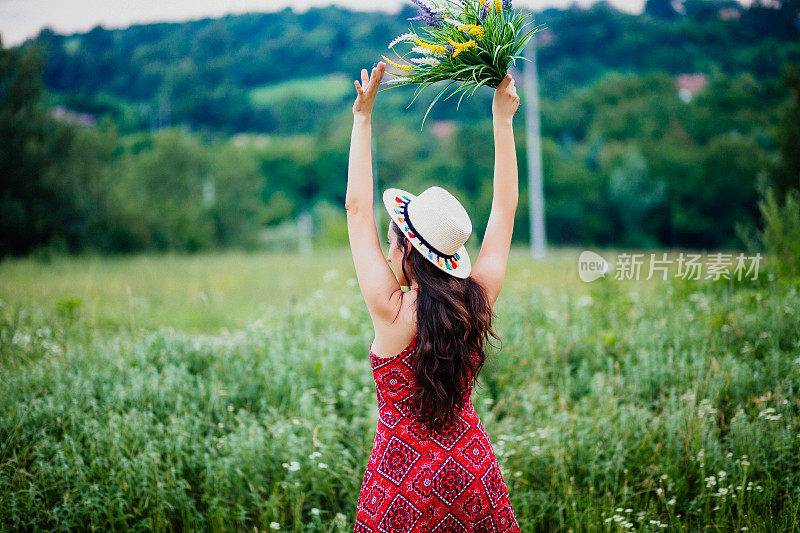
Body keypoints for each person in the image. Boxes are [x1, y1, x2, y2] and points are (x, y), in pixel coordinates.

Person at [345, 61, 521, 532]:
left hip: (402, 483)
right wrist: (502, 123)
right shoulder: (475, 299)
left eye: (391, 241)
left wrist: (363, 119)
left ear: (407, 249)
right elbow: (504, 212)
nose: (387, 248)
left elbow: (356, 210)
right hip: (469, 471)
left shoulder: (391, 308)